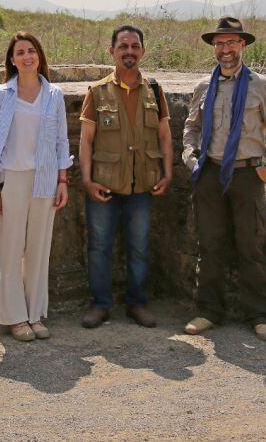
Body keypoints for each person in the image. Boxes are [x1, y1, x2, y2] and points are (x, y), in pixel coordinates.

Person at [182, 16, 266, 342]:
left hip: (247, 173)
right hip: (211, 172)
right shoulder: (204, 86)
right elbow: (192, 127)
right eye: (220, 43)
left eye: (231, 42)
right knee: (210, 244)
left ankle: (259, 315)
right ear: (214, 48)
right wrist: (190, 159)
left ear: (242, 45)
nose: (225, 49)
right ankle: (208, 311)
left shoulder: (261, 86)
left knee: (250, 245)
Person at [79, 25, 173, 329]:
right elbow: (86, 141)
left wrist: (168, 173)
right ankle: (100, 304)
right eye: (123, 46)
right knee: (99, 247)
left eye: (135, 46)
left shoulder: (155, 91)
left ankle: (137, 303)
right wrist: (87, 180)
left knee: (140, 247)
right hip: (104, 184)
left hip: (142, 184)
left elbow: (165, 136)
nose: (129, 51)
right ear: (112, 52)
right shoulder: (96, 92)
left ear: (143, 52)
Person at [0, 31, 72, 341]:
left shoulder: (54, 95)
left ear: (39, 56)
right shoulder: (2, 95)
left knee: (38, 249)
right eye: (20, 52)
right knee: (10, 249)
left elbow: (62, 140)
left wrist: (63, 179)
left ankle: (35, 314)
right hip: (12, 178)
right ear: (12, 59)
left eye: (31, 50)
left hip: (45, 178)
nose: (27, 56)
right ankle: (15, 317)